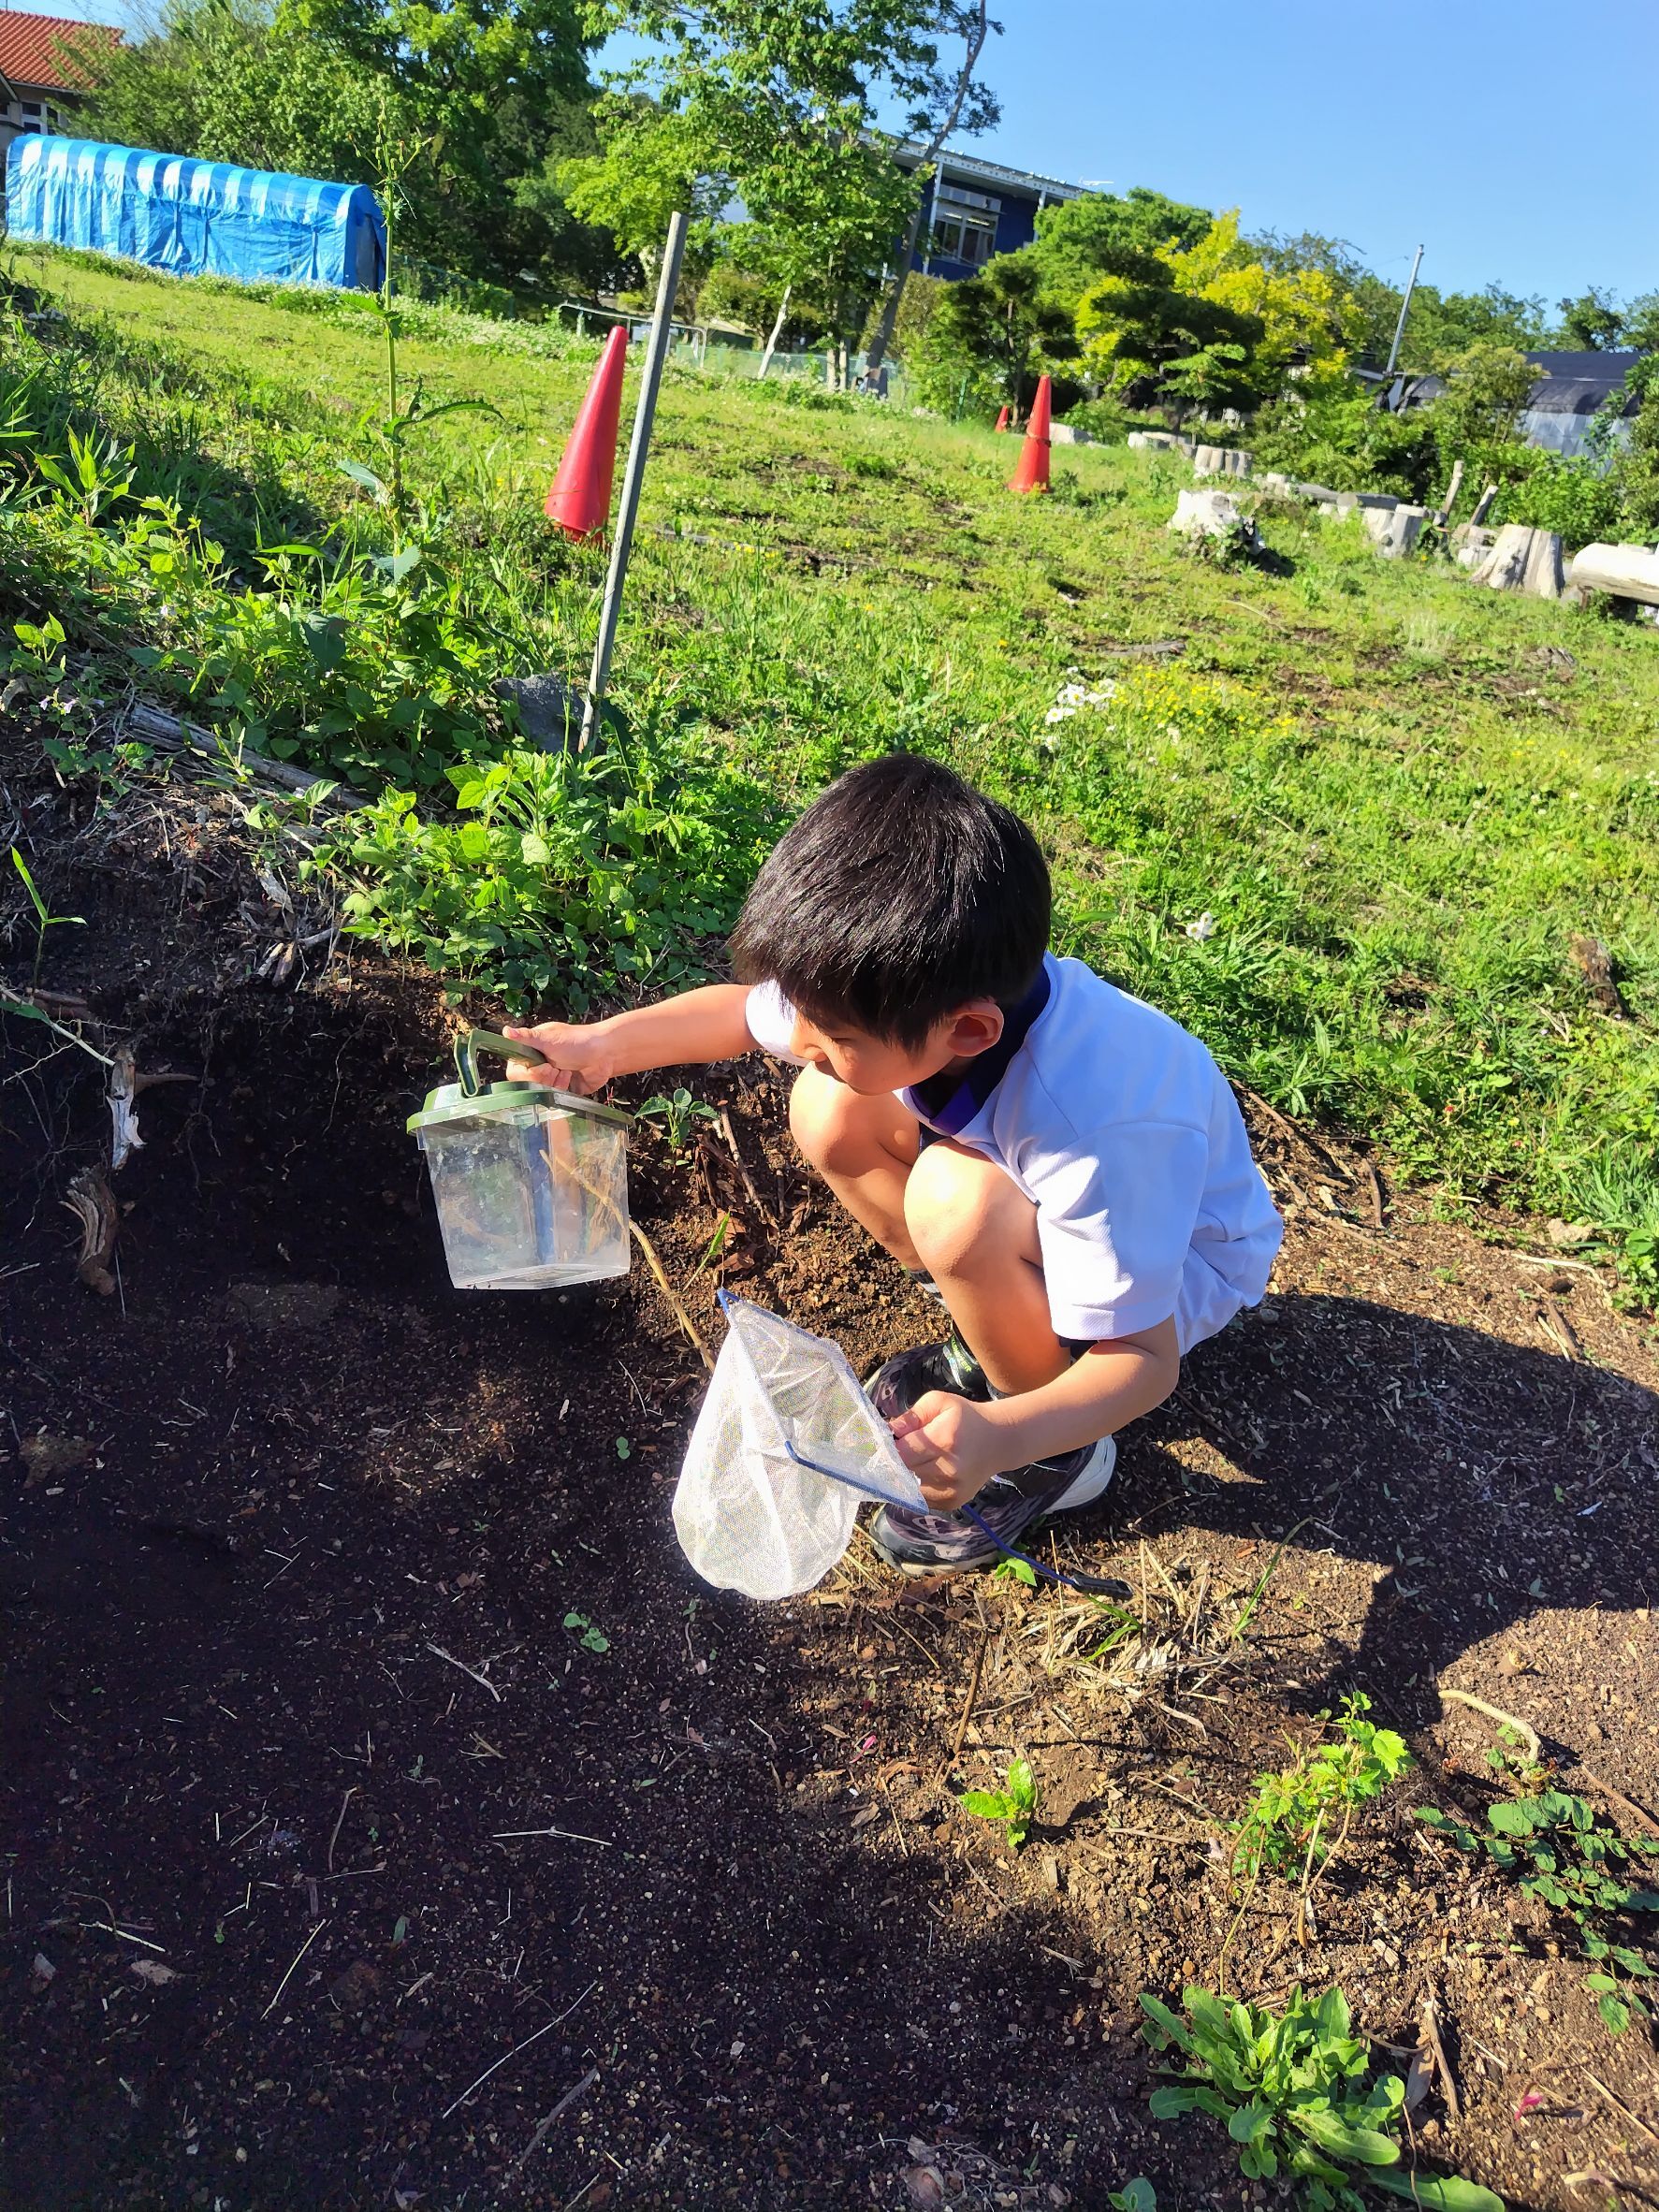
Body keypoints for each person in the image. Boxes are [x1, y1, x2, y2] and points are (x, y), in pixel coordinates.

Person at [504, 754, 1282, 1576]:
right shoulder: (891, 995)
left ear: (969, 1033)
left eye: (833, 1035)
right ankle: (987, 1316)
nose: (800, 1038)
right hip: (1062, 1215)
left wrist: (1001, 1436)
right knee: (827, 1105)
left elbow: (1143, 1363)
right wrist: (599, 1048)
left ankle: (1057, 1451)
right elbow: (740, 1014)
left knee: (957, 1205)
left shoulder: (1096, 1119)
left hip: (1177, 1268)